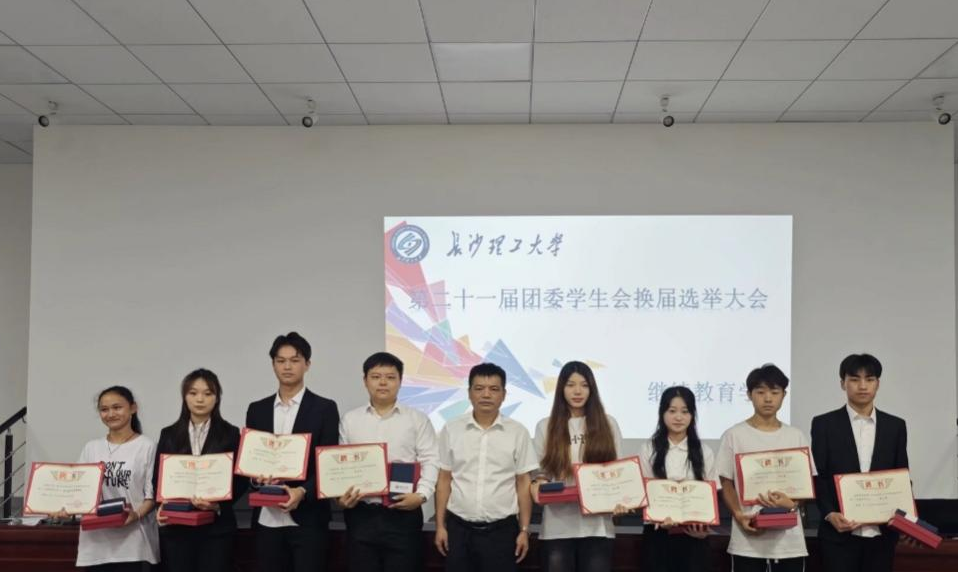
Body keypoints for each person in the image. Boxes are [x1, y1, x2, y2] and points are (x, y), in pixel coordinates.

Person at [337, 351, 440, 572]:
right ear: (365, 381)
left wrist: (421, 495)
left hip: (403, 512)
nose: (383, 382)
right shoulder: (350, 420)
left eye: (390, 377)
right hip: (361, 514)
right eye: (376, 377)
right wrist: (341, 496)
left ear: (400, 381)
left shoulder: (417, 419)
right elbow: (341, 465)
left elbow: (431, 460)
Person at [245, 332, 339, 572]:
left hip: (308, 519)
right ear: (273, 365)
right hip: (266, 518)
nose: (287, 366)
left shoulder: (325, 408)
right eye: (281, 360)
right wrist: (256, 479)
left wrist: (302, 491)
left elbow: (328, 465)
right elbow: (251, 461)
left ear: (307, 364)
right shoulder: (257, 410)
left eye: (295, 360)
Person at [434, 362, 538, 572]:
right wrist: (440, 526)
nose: (486, 395)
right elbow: (444, 479)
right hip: (459, 529)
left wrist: (524, 530)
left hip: (501, 531)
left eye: (494, 389)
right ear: (469, 393)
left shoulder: (517, 432)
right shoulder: (452, 429)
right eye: (479, 388)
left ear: (503, 394)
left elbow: (523, 483)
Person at [811, 353, 910, 572]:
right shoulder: (823, 424)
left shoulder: (895, 426)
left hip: (882, 535)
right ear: (843, 383)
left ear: (878, 384)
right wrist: (829, 513)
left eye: (869, 379)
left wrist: (904, 518)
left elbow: (902, 476)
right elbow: (819, 475)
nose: (863, 386)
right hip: (838, 534)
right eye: (855, 379)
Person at [716, 364, 811, 572]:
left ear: (784, 395)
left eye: (774, 392)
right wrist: (739, 515)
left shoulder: (796, 436)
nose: (768, 399)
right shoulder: (734, 435)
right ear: (749, 395)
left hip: (789, 542)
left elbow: (806, 483)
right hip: (747, 539)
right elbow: (725, 482)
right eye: (760, 392)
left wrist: (792, 504)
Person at [531, 360, 622, 572]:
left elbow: (617, 471)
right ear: (561, 389)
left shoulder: (608, 424)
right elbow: (542, 474)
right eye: (570, 385)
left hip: (598, 527)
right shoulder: (546, 426)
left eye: (584, 385)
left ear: (592, 389)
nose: (577, 391)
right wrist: (537, 486)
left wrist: (621, 498)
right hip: (557, 527)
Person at [56, 386, 160, 571]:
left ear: (133, 408)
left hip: (134, 544)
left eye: (117, 407)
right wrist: (65, 507)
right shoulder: (91, 448)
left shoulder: (147, 446)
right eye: (104, 409)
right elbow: (78, 489)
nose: (111, 414)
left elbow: (151, 495)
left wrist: (135, 515)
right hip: (96, 545)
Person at [153, 368, 247, 572]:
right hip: (177, 527)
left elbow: (241, 481)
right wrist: (161, 505)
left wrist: (217, 504)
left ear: (217, 398)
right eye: (193, 393)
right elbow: (157, 478)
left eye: (208, 393)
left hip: (217, 529)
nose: (200, 399)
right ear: (184, 397)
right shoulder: (168, 434)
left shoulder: (230, 434)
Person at [638, 386, 718, 572]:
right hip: (658, 534)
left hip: (694, 536)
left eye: (685, 411)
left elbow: (709, 496)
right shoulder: (648, 449)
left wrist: (703, 529)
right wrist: (661, 515)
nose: (678, 417)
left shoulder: (704, 451)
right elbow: (646, 491)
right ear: (662, 413)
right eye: (672, 411)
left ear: (692, 415)